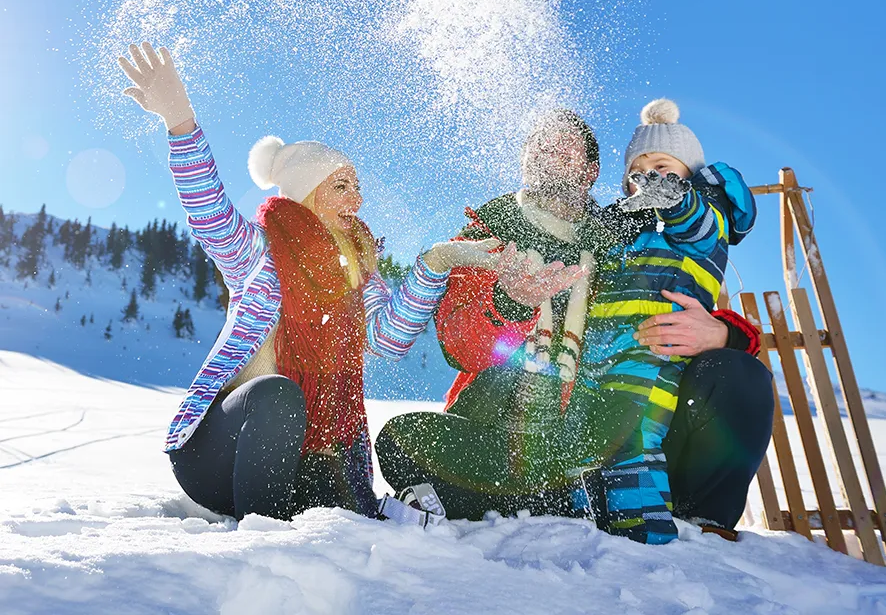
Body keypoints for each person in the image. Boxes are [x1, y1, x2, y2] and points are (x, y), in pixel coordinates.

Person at [117, 42, 582, 522]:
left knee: (342, 489)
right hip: (220, 455)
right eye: (341, 186)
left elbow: (389, 338)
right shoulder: (259, 251)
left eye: (358, 187)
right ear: (306, 194)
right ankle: (263, 546)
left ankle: (302, 530)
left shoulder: (359, 275)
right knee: (277, 395)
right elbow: (208, 212)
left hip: (294, 465)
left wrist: (438, 261)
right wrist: (180, 120)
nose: (356, 200)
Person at [375, 108, 773, 536]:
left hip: (615, 422)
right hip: (511, 432)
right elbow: (463, 346)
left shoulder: (618, 236)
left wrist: (724, 332)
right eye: (540, 150)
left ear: (590, 171)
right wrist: (510, 303)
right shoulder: (490, 237)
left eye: (565, 149)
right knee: (402, 439)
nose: (551, 157)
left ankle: (700, 522)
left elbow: (670, 285)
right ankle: (557, 502)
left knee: (738, 374)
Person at [566, 98, 757, 544]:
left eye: (664, 167)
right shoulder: (628, 228)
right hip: (603, 351)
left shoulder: (703, 218)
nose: (650, 176)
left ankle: (645, 530)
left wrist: (677, 200)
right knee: (588, 435)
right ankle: (579, 517)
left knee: (634, 433)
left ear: (688, 175)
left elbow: (698, 228)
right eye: (640, 169)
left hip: (655, 350)